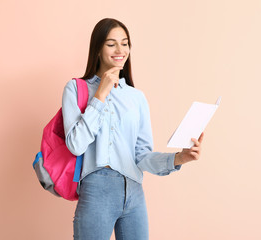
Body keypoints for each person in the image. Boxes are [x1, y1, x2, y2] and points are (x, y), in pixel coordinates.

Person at [62, 18, 205, 240]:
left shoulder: (136, 98)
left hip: (135, 193)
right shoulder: (75, 89)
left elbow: (141, 156)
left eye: (125, 43)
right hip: (97, 189)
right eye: (111, 44)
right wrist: (100, 95)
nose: (120, 50)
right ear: (97, 49)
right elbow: (75, 145)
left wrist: (178, 158)